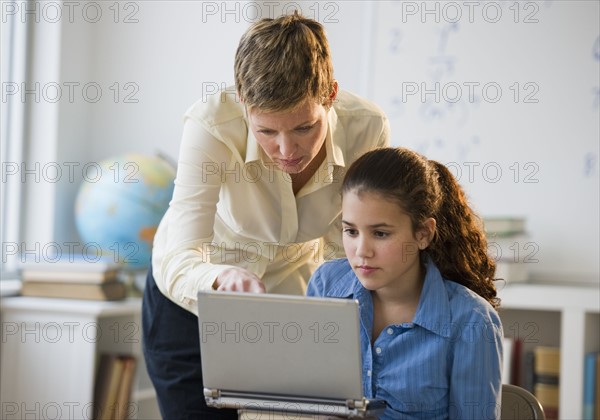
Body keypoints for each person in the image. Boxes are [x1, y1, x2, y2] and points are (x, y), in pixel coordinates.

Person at [141, 12, 390, 419]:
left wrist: (338, 327)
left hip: (293, 299)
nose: (288, 150)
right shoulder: (211, 126)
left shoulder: (367, 128)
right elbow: (180, 252)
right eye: (267, 132)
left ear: (330, 95)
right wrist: (219, 278)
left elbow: (344, 248)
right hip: (193, 303)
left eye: (305, 127)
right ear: (243, 104)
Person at [306, 147, 503, 420]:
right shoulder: (325, 286)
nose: (362, 250)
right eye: (351, 231)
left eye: (381, 233)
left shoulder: (471, 320)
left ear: (423, 234)